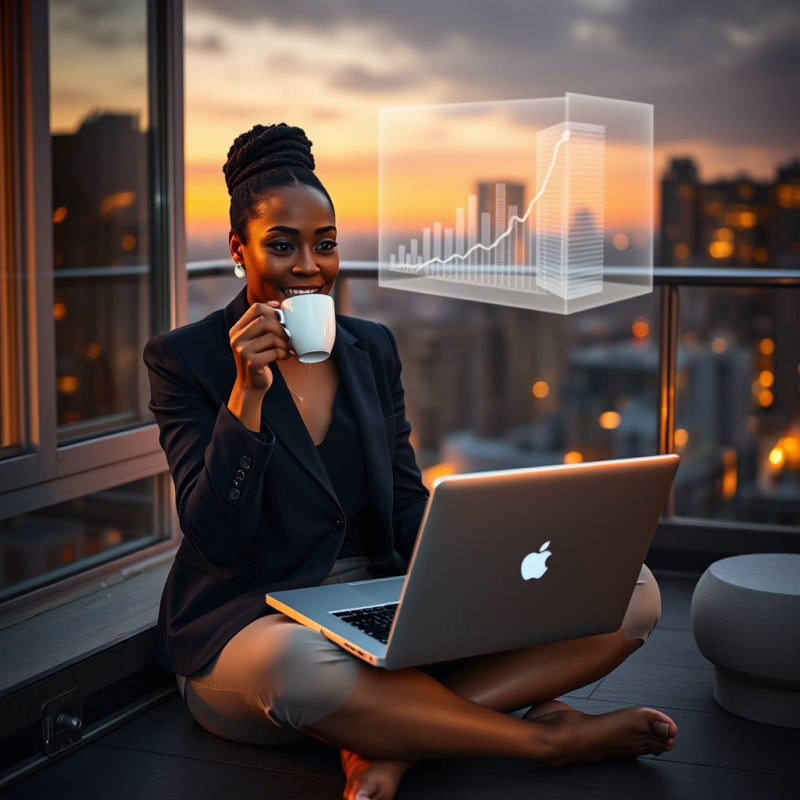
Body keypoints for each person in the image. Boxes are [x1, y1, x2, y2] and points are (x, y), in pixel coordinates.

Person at [143, 123, 677, 800]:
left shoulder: (371, 347)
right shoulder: (186, 357)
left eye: (325, 244)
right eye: (281, 245)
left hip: (376, 600)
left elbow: (401, 499)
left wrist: (474, 561)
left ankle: (390, 742)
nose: (309, 266)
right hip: (252, 621)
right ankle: (547, 739)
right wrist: (246, 395)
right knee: (297, 664)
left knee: (630, 591)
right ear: (237, 250)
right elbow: (215, 537)